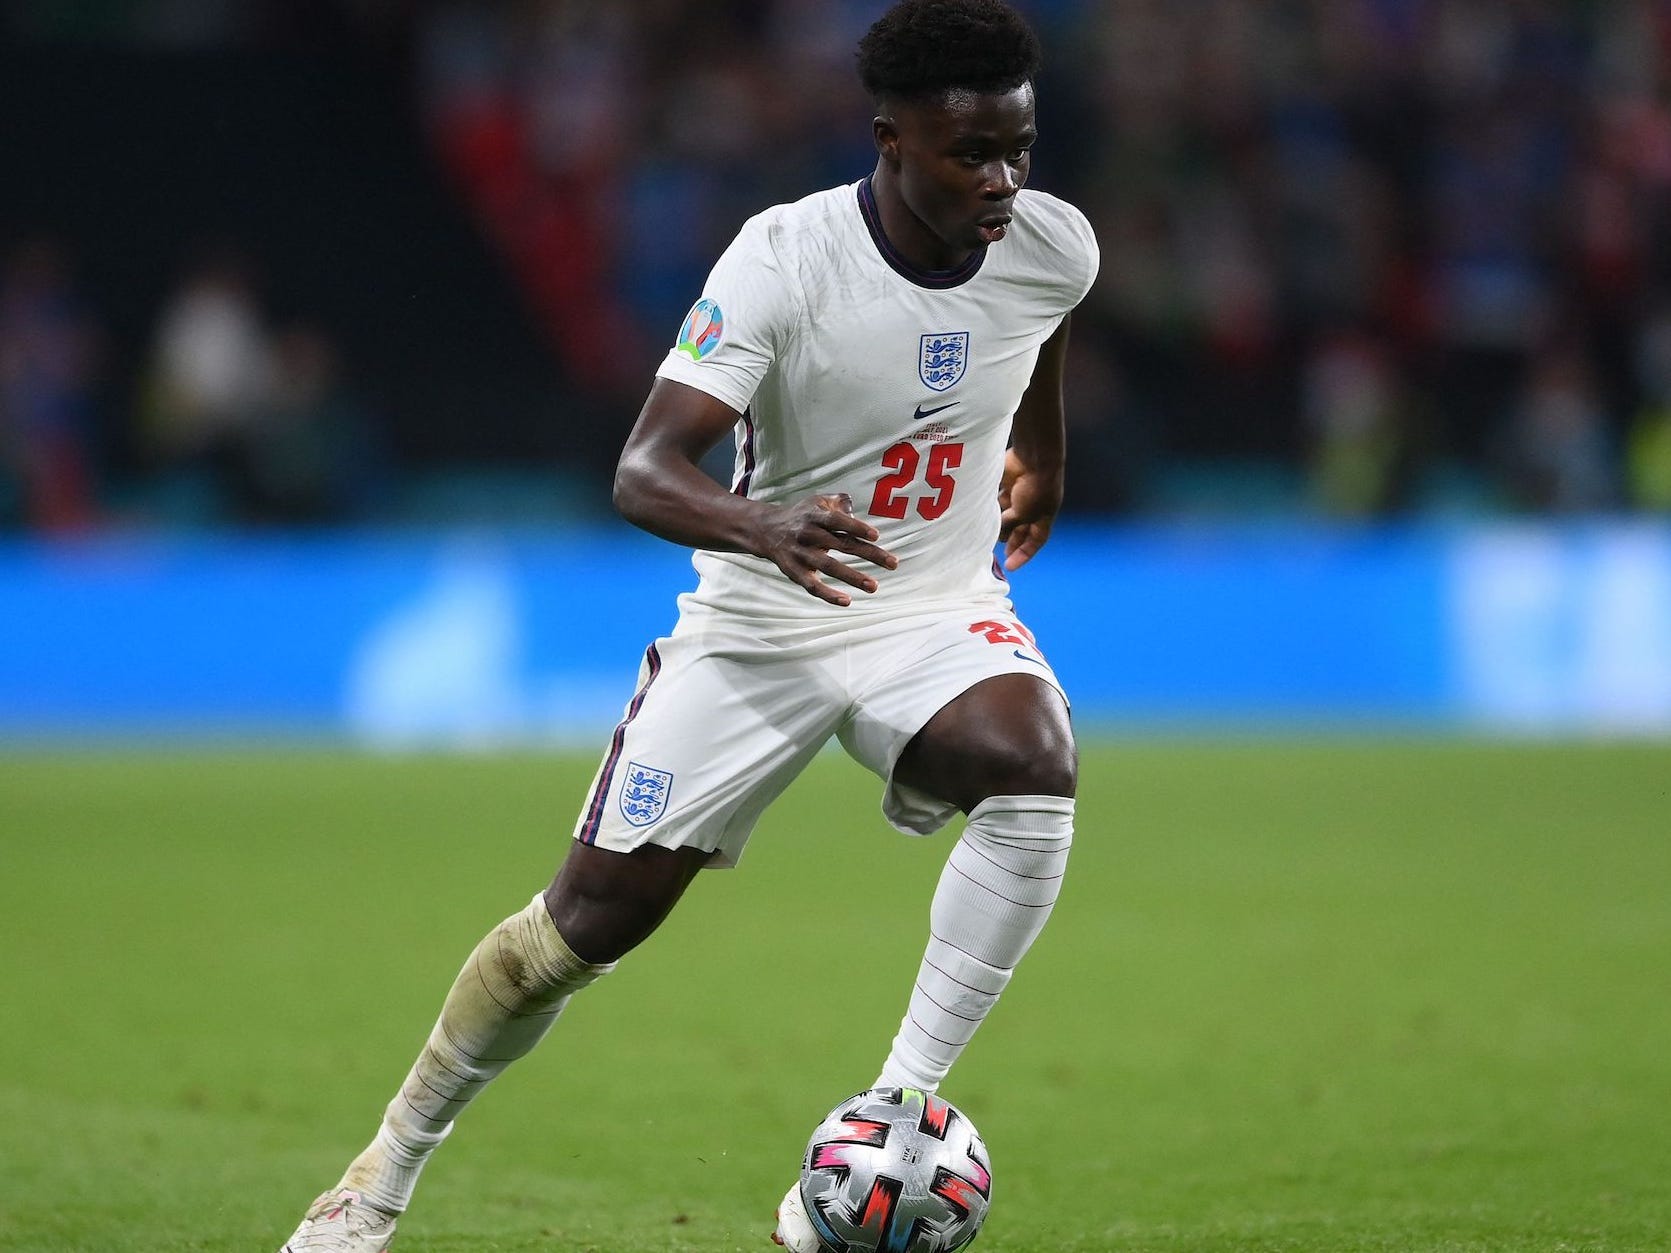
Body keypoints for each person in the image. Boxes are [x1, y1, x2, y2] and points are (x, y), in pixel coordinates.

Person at [278, 1, 1097, 1248]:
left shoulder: (1051, 243)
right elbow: (644, 469)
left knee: (1035, 757)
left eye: (1019, 149)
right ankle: (375, 1180)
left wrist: (1037, 458)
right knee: (579, 928)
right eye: (968, 154)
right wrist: (764, 526)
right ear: (889, 138)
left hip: (932, 606)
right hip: (762, 619)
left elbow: (1034, 333)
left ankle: (893, 1102)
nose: (1002, 181)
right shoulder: (783, 258)